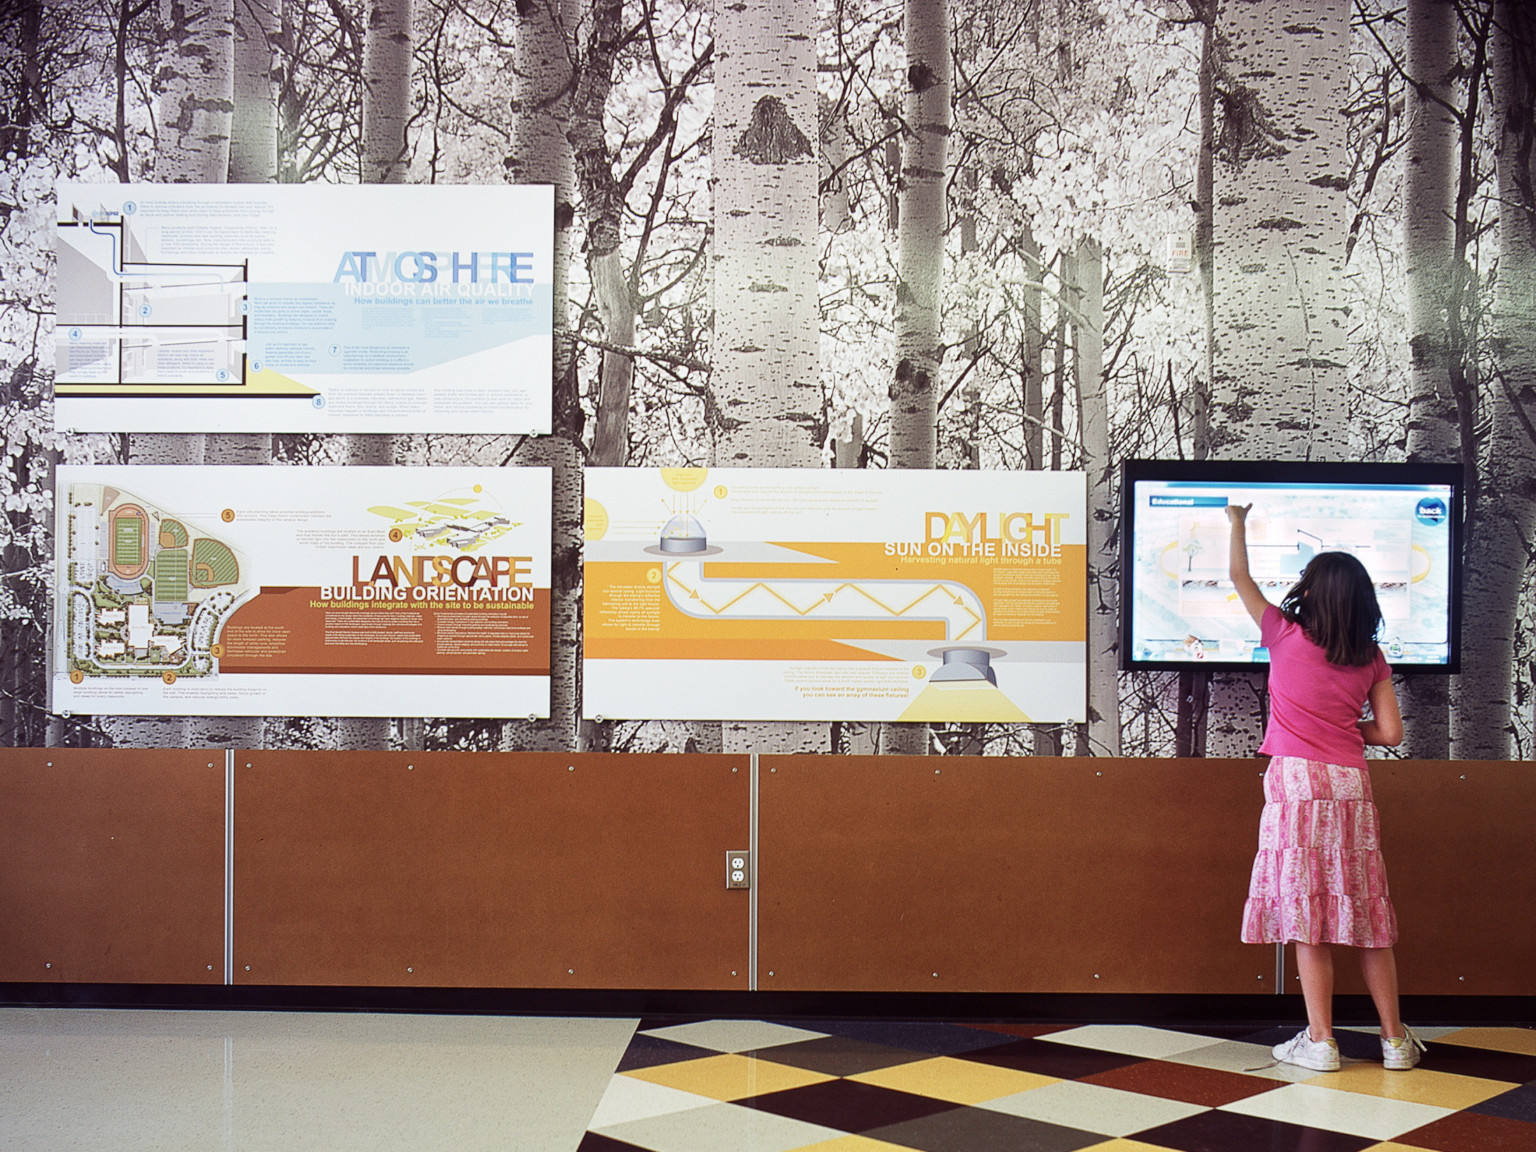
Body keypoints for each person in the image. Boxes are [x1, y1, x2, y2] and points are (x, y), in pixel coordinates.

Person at [1225, 503, 1424, 1072]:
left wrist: (1237, 524)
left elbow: (1240, 577)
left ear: (1309, 595)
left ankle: (1322, 1041)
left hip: (1294, 780)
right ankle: (1395, 1043)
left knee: (1308, 912)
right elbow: (1389, 732)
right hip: (1349, 782)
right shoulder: (1371, 655)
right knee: (1364, 907)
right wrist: (1341, 726)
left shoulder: (1284, 634)